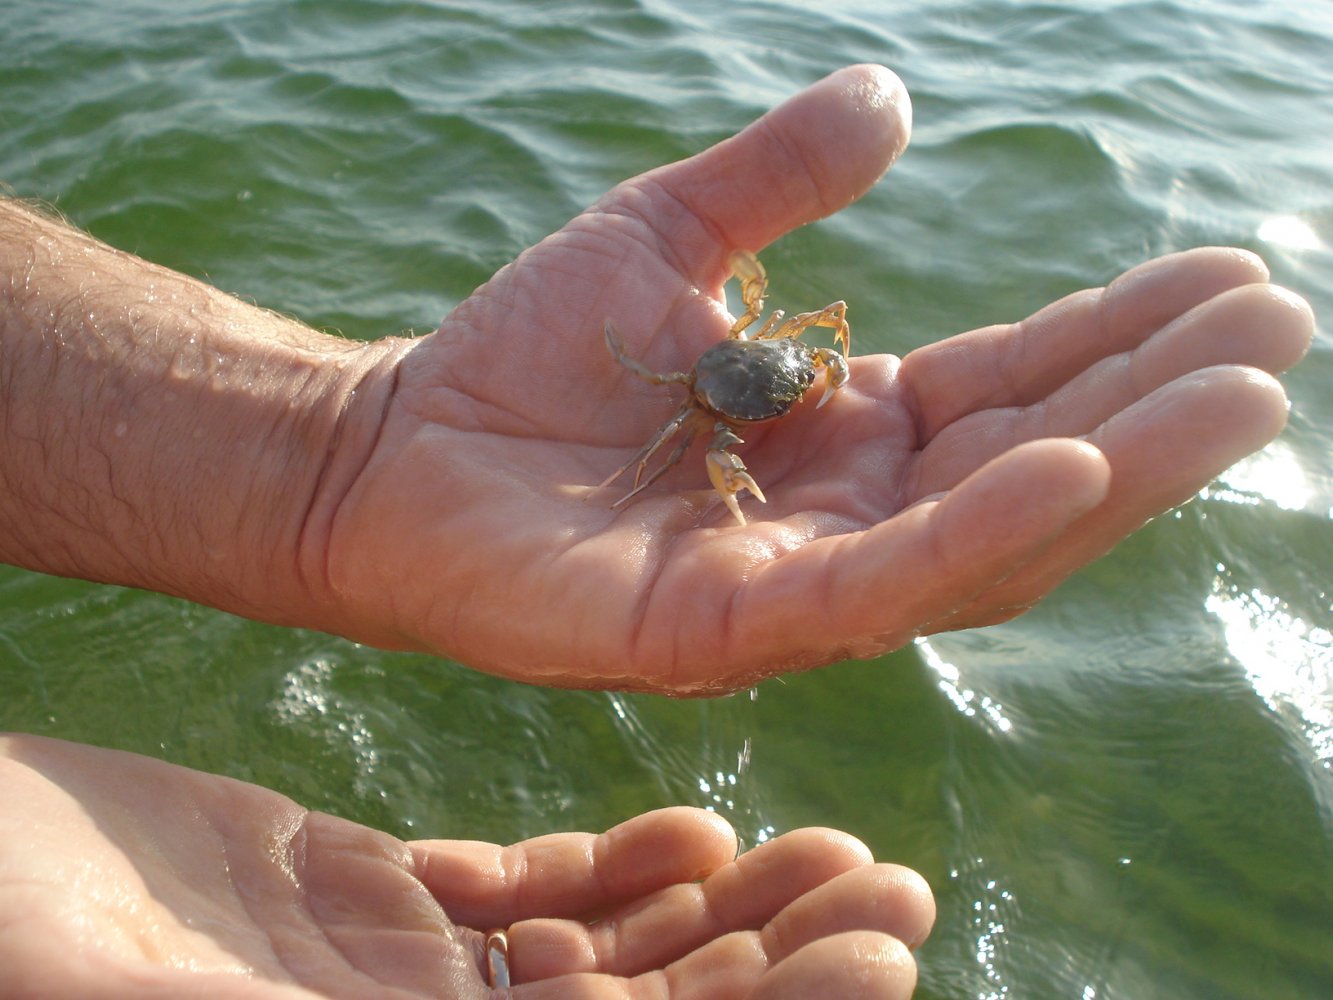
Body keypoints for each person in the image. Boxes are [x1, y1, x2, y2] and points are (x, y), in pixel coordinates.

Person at [0, 63, 1313, 997]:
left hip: (737, 381)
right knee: (679, 427)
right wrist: (334, 457)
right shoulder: (703, 403)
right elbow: (674, 396)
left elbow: (759, 372)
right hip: (721, 391)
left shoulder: (767, 373)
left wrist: (335, 453)